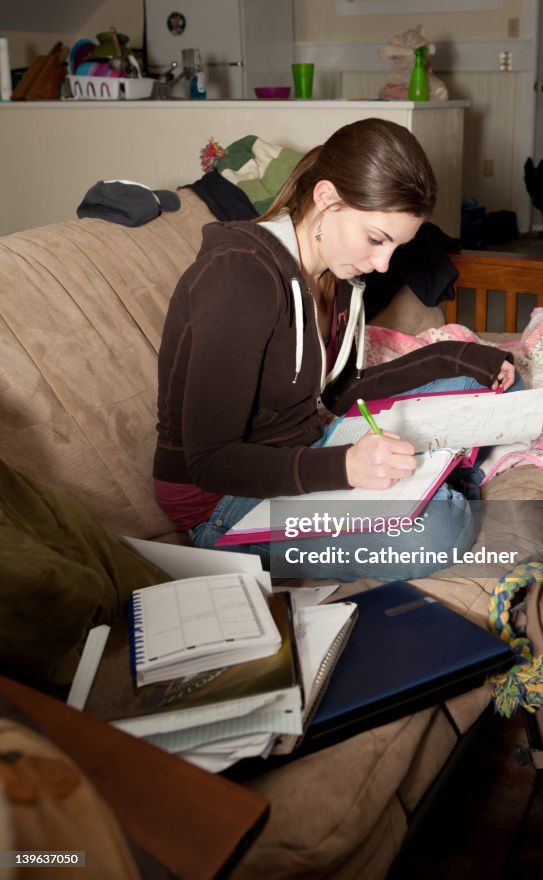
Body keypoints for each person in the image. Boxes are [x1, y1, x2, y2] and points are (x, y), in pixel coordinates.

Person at [153, 119, 517, 579]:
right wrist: (346, 467)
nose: (382, 264)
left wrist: (461, 356)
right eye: (376, 239)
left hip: (305, 446)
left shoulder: (336, 273)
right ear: (326, 198)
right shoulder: (238, 278)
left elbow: (343, 393)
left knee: (487, 381)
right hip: (223, 502)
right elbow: (210, 463)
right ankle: (445, 485)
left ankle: (438, 480)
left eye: (395, 247)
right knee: (430, 535)